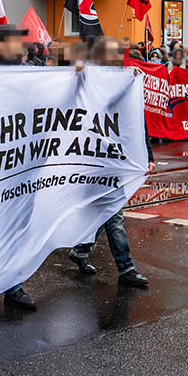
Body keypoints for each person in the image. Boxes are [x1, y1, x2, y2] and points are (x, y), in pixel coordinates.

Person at [68, 37, 151, 288]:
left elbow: (136, 122)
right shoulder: (87, 79)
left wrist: (147, 155)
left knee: (106, 212)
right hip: (92, 160)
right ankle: (126, 268)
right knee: (112, 215)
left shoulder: (126, 79)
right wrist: (77, 72)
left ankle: (82, 249)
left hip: (114, 160)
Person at [0, 24, 39, 311]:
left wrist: (78, 77)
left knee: (18, 226)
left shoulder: (29, 72)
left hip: (24, 163)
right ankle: (7, 285)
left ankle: (11, 284)